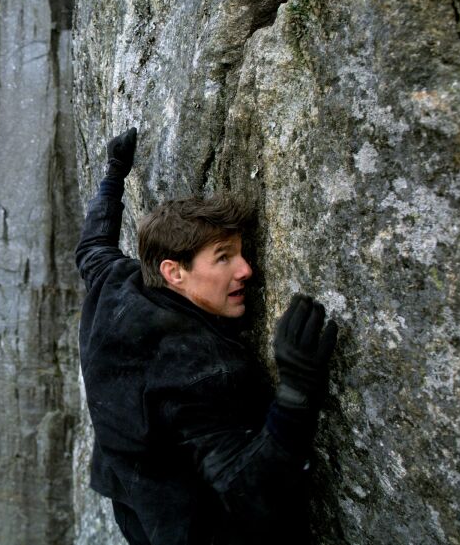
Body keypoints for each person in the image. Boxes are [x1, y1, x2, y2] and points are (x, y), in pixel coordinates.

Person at [75, 127, 339, 544]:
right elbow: (249, 490)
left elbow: (92, 247)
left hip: (132, 500)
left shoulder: (117, 282)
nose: (246, 270)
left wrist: (114, 173)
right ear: (173, 271)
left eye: (240, 253)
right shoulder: (198, 369)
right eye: (223, 258)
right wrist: (297, 392)